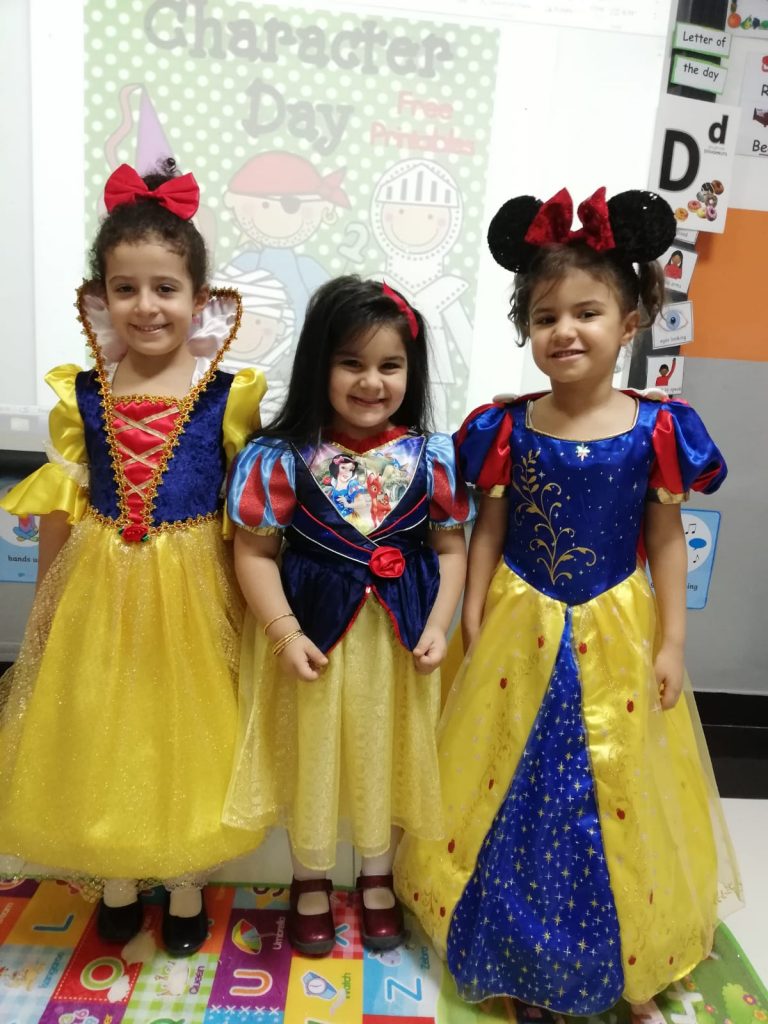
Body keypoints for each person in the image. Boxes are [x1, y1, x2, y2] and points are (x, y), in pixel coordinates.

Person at [394, 188, 742, 1013]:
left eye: (588, 312)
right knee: (513, 782)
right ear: (526, 328)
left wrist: (672, 642)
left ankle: (624, 951)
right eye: (546, 315)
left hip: (617, 627)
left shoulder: (656, 428)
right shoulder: (508, 427)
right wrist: (473, 610)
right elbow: (488, 525)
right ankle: (513, 949)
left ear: (630, 322)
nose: (565, 330)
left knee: (613, 784)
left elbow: (665, 540)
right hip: (519, 627)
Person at [0, 162, 266, 957]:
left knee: (186, 738)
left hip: (194, 592)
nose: (146, 306)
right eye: (126, 288)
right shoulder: (83, 393)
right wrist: (46, 604)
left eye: (165, 288)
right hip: (101, 587)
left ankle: (184, 884)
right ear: (101, 295)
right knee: (102, 728)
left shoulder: (229, 394)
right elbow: (65, 504)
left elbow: (246, 511)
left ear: (199, 297)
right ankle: (115, 879)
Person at [224, 276, 473, 956]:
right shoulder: (279, 456)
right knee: (313, 751)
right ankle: (310, 877)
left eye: (390, 365)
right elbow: (254, 552)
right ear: (318, 364)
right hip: (314, 637)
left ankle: (376, 873)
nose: (371, 381)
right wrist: (283, 633)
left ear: (412, 371)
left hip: (400, 641)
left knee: (388, 750)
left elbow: (451, 548)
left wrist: (439, 624)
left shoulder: (434, 457)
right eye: (351, 362)